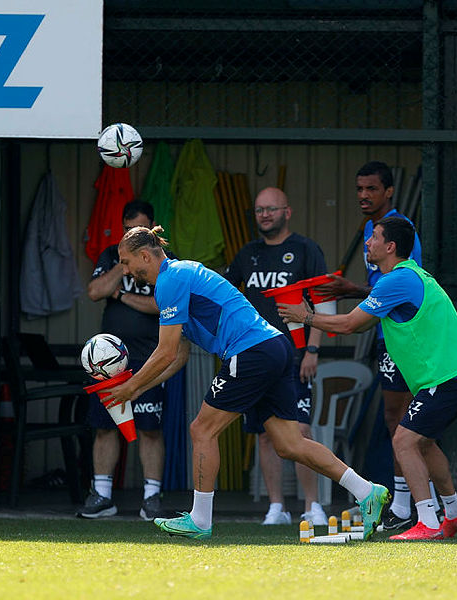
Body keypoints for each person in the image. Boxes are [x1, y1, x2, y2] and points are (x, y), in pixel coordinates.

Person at [101, 226, 389, 540]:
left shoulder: (171, 281)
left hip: (250, 352)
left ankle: (199, 520)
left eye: (126, 262)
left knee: (201, 429)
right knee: (290, 444)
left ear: (145, 255)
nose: (125, 270)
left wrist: (129, 386)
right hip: (273, 347)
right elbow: (179, 354)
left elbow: (165, 351)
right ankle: (367, 490)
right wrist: (139, 388)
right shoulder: (179, 276)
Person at [282, 216, 457, 541]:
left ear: (390, 247)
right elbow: (360, 323)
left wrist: (303, 316)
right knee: (424, 442)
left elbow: (349, 325)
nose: (367, 243)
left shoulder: (396, 280)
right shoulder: (405, 277)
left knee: (403, 441)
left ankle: (428, 523)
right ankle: (455, 512)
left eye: (374, 237)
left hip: (448, 376)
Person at [312, 161, 426, 532]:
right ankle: (413, 505)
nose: (363, 195)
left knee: (405, 420)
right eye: (359, 189)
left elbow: (404, 285)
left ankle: (413, 506)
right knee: (397, 419)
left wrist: (351, 291)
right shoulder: (369, 229)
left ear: (388, 192)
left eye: (371, 189)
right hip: (383, 336)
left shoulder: (399, 231)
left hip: (404, 338)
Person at [224, 187, 331, 527]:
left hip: (297, 356)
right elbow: (226, 296)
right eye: (259, 210)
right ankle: (276, 508)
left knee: (299, 431)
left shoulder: (305, 249)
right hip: (256, 358)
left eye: (271, 209)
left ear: (288, 212)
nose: (264, 215)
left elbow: (323, 302)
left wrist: (313, 349)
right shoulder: (247, 254)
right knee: (265, 434)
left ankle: (312, 506)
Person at [79, 200, 167, 521]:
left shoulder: (161, 262)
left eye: (138, 230)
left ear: (152, 230)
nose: (132, 234)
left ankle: (151, 499)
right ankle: (102, 497)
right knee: (104, 427)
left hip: (149, 358)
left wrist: (119, 295)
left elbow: (159, 305)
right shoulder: (111, 257)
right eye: (127, 230)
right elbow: (94, 291)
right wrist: (122, 262)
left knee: (150, 429)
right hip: (106, 361)